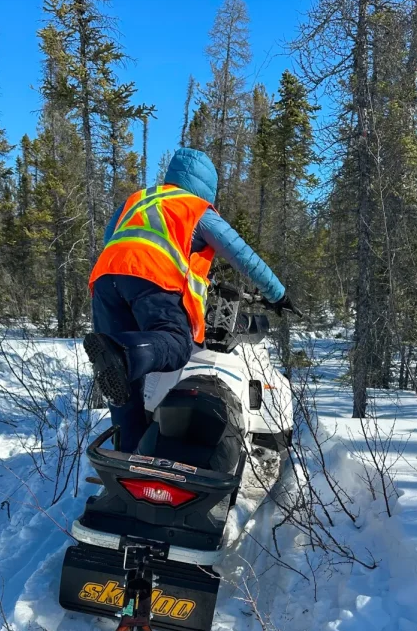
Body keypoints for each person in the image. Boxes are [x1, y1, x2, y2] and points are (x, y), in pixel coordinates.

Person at [84, 147, 294, 453]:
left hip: (105, 279)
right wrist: (278, 295)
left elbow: (110, 238)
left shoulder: (138, 199)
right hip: (151, 276)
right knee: (175, 343)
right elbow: (241, 253)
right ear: (207, 187)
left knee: (125, 385)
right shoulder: (196, 209)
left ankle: (127, 454)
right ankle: (122, 353)